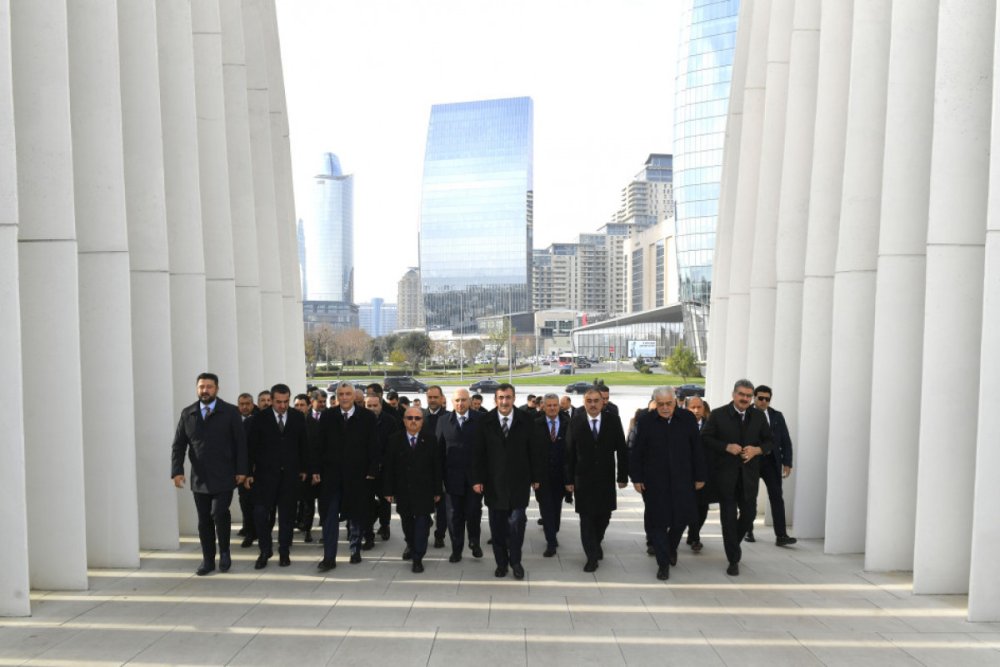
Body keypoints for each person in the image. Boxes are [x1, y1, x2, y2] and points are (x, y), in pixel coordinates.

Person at [171, 372, 248, 576]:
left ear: (217, 389)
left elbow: (241, 443)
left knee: (219, 513)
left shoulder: (230, 412)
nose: (205, 390)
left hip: (225, 475)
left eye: (209, 387)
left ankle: (224, 553)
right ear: (197, 389)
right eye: (201, 387)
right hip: (200, 478)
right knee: (204, 519)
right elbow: (179, 445)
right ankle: (208, 560)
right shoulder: (188, 413)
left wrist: (242, 470)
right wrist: (177, 471)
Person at [630, 387, 707, 580]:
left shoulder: (688, 419)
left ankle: (671, 547)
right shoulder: (645, 421)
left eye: (669, 404)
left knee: (680, 519)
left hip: (683, 480)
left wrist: (700, 476)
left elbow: (697, 449)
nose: (665, 408)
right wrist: (636, 478)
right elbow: (636, 452)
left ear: (676, 402)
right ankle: (663, 563)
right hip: (654, 482)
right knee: (657, 522)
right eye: (661, 404)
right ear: (655, 403)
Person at [472, 383, 545, 579]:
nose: (504, 401)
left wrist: (536, 477)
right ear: (495, 400)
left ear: (514, 399)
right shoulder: (484, 421)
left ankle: (515, 561)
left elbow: (534, 451)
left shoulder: (526, 420)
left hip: (519, 483)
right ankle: (501, 564)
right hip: (493, 484)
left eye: (508, 397)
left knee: (517, 524)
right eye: (501, 398)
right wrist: (477, 479)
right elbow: (478, 454)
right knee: (497, 527)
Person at [701, 379, 773, 576]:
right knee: (728, 519)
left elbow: (770, 441)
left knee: (749, 515)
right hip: (725, 477)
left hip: (749, 478)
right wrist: (726, 447)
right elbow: (705, 438)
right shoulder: (718, 414)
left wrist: (757, 450)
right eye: (741, 395)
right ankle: (733, 559)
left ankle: (733, 544)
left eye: (749, 396)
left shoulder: (758, 416)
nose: (745, 399)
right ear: (734, 395)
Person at [314, 381, 379, 571]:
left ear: (354, 396)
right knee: (330, 516)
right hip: (331, 476)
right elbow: (319, 445)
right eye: (340, 394)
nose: (344, 397)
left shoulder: (366, 417)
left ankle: (355, 549)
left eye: (347, 394)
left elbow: (373, 446)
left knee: (356, 515)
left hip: (357, 475)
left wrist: (372, 470)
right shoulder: (327, 416)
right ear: (336, 397)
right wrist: (316, 470)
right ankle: (329, 557)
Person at [244, 384, 309, 569]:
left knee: (287, 516)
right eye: (278, 402)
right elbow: (251, 448)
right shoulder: (259, 419)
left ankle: (284, 551)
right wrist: (248, 472)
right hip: (265, 476)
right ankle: (265, 550)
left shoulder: (297, 417)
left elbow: (303, 443)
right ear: (271, 400)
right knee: (260, 513)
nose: (282, 406)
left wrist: (305, 468)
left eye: (286, 402)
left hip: (290, 476)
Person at [564, 387, 628, 572]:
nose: (592, 404)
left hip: (605, 479)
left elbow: (622, 450)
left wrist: (622, 476)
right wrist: (568, 480)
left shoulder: (613, 421)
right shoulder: (575, 422)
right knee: (586, 519)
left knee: (604, 517)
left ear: (602, 402)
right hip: (582, 480)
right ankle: (591, 556)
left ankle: (596, 542)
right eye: (589, 401)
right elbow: (568, 454)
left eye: (596, 401)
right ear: (584, 403)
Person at [383, 407, 443, 573]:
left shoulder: (430, 440)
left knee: (422, 526)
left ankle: (418, 557)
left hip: (425, 491)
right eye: (409, 418)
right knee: (408, 524)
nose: (413, 421)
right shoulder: (394, 439)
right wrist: (388, 490)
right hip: (403, 491)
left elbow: (436, 467)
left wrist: (438, 490)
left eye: (417, 418)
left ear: (422, 421)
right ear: (404, 420)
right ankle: (410, 543)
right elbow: (388, 468)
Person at [748, 385, 797, 546]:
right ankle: (748, 531)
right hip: (752, 461)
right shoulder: (746, 414)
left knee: (777, 497)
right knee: (749, 496)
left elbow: (785, 440)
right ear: (754, 397)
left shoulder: (777, 416)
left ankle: (781, 535)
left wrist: (787, 462)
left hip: (772, 462)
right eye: (760, 398)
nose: (763, 402)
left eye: (767, 399)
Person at [535, 393, 569, 557]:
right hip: (542, 477)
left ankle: (553, 530)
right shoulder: (536, 425)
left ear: (559, 406)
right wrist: (533, 477)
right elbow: (531, 452)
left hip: (562, 476)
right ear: (543, 406)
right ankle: (551, 542)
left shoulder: (568, 423)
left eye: (555, 405)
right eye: (549, 405)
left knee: (556, 507)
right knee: (546, 507)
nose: (552, 408)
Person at [365, 394, 399, 543]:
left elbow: (393, 446)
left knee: (385, 499)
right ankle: (368, 529)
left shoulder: (390, 421)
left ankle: (385, 525)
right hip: (366, 469)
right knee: (367, 499)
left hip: (385, 468)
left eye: (375, 405)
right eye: (369, 406)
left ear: (380, 405)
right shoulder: (361, 420)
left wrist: (382, 463)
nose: (372, 409)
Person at [684, 396, 713, 552]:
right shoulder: (679, 425)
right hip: (684, 474)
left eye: (699, 407)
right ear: (686, 408)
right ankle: (694, 537)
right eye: (692, 407)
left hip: (704, 474)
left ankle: (694, 534)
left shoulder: (711, 426)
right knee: (688, 507)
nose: (696, 411)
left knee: (702, 507)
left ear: (704, 408)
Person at [297, 389, 326, 543]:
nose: (299, 408)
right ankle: (306, 529)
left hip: (314, 470)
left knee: (321, 503)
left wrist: (315, 471)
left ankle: (323, 530)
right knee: (306, 503)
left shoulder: (315, 424)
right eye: (296, 405)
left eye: (302, 405)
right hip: (299, 471)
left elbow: (317, 450)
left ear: (308, 406)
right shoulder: (291, 423)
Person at [236, 392, 258, 547]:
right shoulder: (233, 420)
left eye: (247, 404)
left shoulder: (259, 420)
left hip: (256, 470)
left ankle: (256, 532)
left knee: (257, 504)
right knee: (244, 502)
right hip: (239, 470)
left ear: (252, 404)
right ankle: (249, 530)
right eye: (241, 404)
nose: (244, 407)